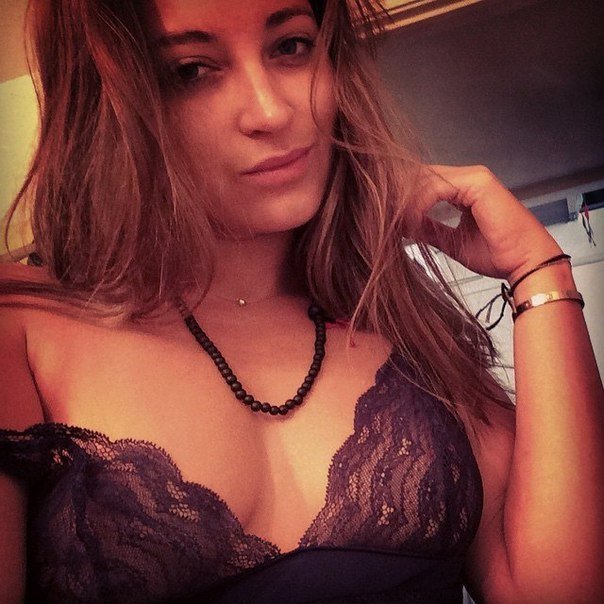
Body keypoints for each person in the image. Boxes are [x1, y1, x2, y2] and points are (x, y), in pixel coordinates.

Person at [0, 0, 602, 602]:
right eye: (190, 70)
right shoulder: (21, 329)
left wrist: (538, 270)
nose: (272, 111)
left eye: (290, 46)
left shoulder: (409, 326)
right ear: (106, 103)